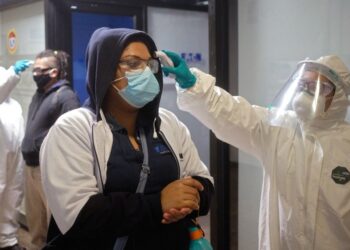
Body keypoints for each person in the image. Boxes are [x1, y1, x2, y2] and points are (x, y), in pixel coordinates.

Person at [39, 27, 214, 250]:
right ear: (104, 69)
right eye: (132, 64)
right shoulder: (73, 129)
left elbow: (204, 182)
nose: (146, 72)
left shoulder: (168, 123)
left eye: (150, 64)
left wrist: (188, 200)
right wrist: (158, 204)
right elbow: (79, 217)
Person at [162, 51, 350, 250]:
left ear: (338, 96)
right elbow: (232, 113)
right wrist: (193, 85)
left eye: (318, 87)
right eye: (303, 85)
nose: (306, 93)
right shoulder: (279, 129)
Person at [21, 50, 80, 250]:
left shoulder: (66, 97)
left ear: (54, 72)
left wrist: (40, 145)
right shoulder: (40, 95)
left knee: (53, 223)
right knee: (35, 223)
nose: (35, 73)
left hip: (48, 171)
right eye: (34, 69)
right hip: (30, 168)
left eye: (40, 70)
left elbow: (72, 136)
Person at [0, 60, 30, 250]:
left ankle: (7, 240)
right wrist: (12, 73)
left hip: (14, 155)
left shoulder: (14, 106)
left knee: (13, 194)